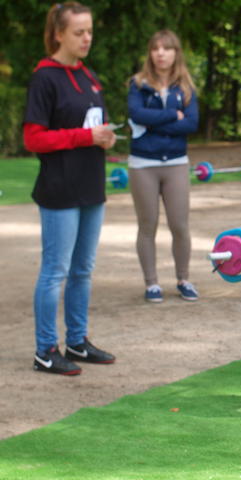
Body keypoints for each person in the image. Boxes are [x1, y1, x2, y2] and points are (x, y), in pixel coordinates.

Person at [23, 2, 116, 375]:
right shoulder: (44, 78)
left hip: (91, 186)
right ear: (58, 34)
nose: (87, 38)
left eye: (89, 31)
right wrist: (85, 137)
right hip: (59, 189)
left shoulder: (89, 75)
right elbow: (34, 138)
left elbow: (93, 125)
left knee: (83, 270)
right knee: (55, 271)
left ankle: (77, 341)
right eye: (79, 32)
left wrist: (105, 137)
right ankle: (45, 350)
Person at [127, 30, 199, 303]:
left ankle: (183, 279)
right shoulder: (138, 84)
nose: (160, 53)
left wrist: (154, 122)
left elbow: (191, 123)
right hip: (143, 164)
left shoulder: (186, 87)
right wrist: (171, 115)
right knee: (147, 225)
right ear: (150, 53)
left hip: (176, 163)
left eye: (166, 48)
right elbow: (136, 114)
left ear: (175, 53)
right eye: (155, 48)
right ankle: (152, 284)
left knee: (180, 225)